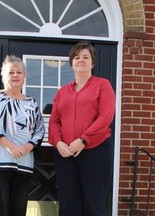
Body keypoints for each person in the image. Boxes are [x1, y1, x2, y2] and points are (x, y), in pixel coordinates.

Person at [48, 41, 115, 216]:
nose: (81, 60)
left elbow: (106, 116)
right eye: (77, 57)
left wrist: (84, 140)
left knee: (93, 204)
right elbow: (54, 121)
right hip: (66, 154)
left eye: (86, 57)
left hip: (95, 151)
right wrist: (58, 143)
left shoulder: (103, 85)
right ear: (71, 63)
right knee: (68, 205)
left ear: (92, 62)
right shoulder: (62, 92)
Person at [0, 55, 45, 216]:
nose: (15, 75)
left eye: (19, 72)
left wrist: (26, 147)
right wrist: (11, 146)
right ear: (3, 76)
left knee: (18, 210)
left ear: (24, 77)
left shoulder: (32, 102)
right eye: (11, 72)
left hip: (23, 161)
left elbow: (40, 130)